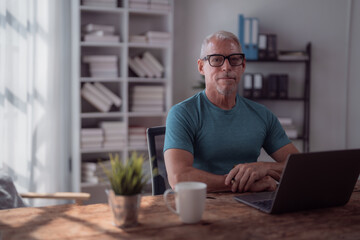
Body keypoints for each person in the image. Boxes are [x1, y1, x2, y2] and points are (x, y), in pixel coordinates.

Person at [163, 30, 299, 193]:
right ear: (201, 67)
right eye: (216, 60)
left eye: (234, 60)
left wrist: (264, 168)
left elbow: (299, 167)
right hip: (203, 206)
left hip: (254, 205)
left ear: (243, 65)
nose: (226, 67)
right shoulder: (183, 113)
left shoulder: (262, 115)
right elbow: (178, 178)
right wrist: (238, 183)